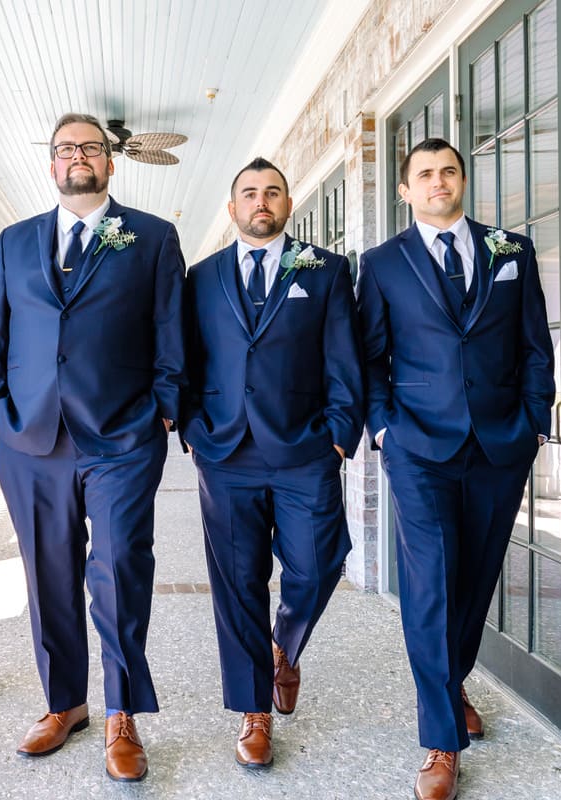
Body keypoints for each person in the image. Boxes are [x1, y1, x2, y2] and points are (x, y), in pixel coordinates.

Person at [0, 112, 184, 782]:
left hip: (122, 434)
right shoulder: (15, 242)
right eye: (65, 149)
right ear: (52, 163)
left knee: (119, 566)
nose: (77, 158)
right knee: (47, 573)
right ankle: (65, 703)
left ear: (110, 161)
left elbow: (170, 330)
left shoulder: (150, 237)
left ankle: (122, 713)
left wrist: (164, 408)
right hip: (30, 436)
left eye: (89, 148)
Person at [355, 138, 554, 800]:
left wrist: (534, 421)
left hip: (501, 444)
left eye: (448, 171)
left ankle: (451, 679)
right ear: (405, 190)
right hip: (418, 449)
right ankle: (441, 740)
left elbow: (534, 344)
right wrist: (384, 430)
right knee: (433, 582)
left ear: (462, 180)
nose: (438, 182)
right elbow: (370, 357)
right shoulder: (382, 264)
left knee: (475, 576)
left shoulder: (510, 251)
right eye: (424, 175)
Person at [179, 157, 364, 768]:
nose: (262, 201)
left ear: (289, 204)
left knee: (319, 564)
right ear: (232, 208)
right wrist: (191, 429)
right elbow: (185, 357)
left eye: (273, 192)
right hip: (225, 450)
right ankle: (253, 711)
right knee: (237, 585)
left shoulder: (328, 270)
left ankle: (283, 644)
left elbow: (344, 358)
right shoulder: (200, 277)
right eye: (250, 193)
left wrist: (339, 435)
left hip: (303, 450)